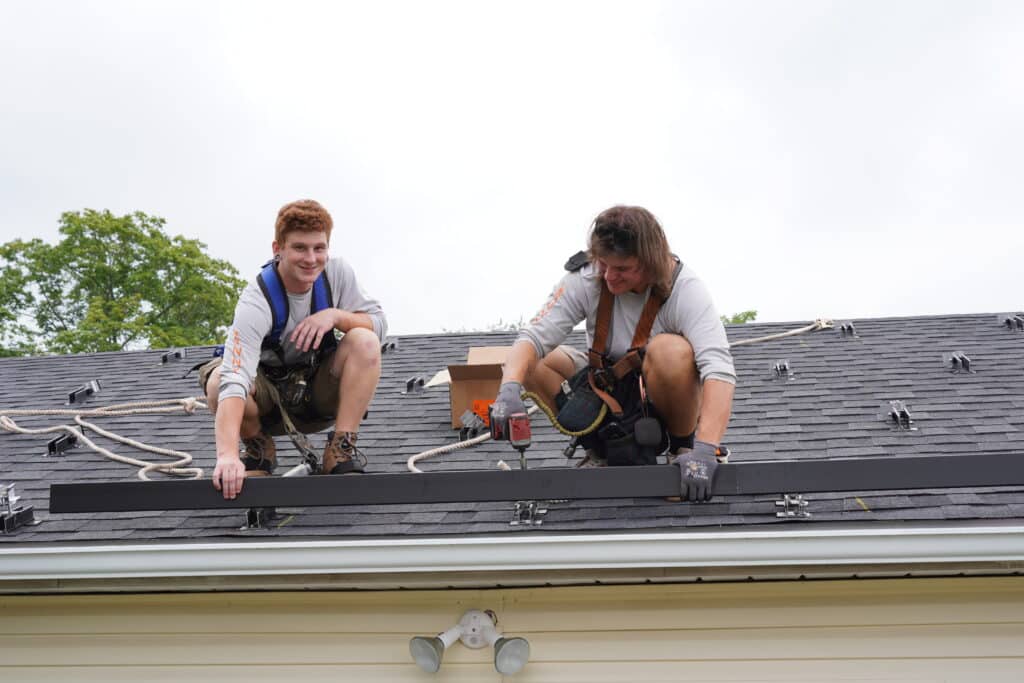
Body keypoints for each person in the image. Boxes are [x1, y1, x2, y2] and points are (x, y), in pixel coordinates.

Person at [492, 205, 736, 501]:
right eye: (603, 264)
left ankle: (681, 450)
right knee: (530, 360)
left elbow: (719, 370)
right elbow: (532, 336)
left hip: (658, 399)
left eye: (622, 269)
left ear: (651, 263)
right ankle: (597, 452)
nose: (608, 276)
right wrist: (508, 390)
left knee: (669, 351)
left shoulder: (685, 289)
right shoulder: (588, 277)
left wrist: (706, 449)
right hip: (604, 390)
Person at [200, 199, 387, 499]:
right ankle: (258, 449)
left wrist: (336, 316)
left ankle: (340, 450)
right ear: (278, 249)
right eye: (300, 248)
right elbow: (235, 379)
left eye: (319, 248)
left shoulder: (337, 275)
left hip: (319, 395)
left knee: (364, 340)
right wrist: (226, 455)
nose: (311, 258)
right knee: (218, 380)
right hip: (268, 405)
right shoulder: (256, 300)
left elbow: (378, 324)